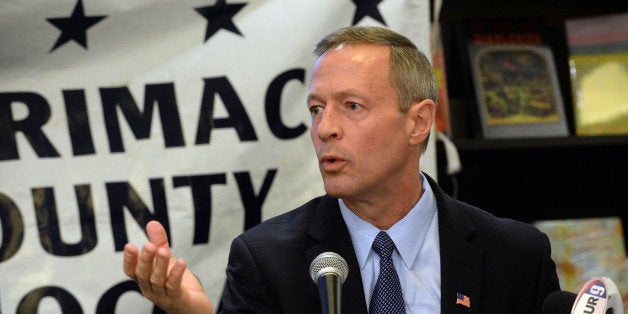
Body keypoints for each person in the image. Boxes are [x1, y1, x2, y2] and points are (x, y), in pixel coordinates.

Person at [123, 26, 560, 313]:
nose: (324, 128)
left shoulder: (516, 256)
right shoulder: (268, 260)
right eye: (316, 108)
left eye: (352, 106)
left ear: (418, 122)